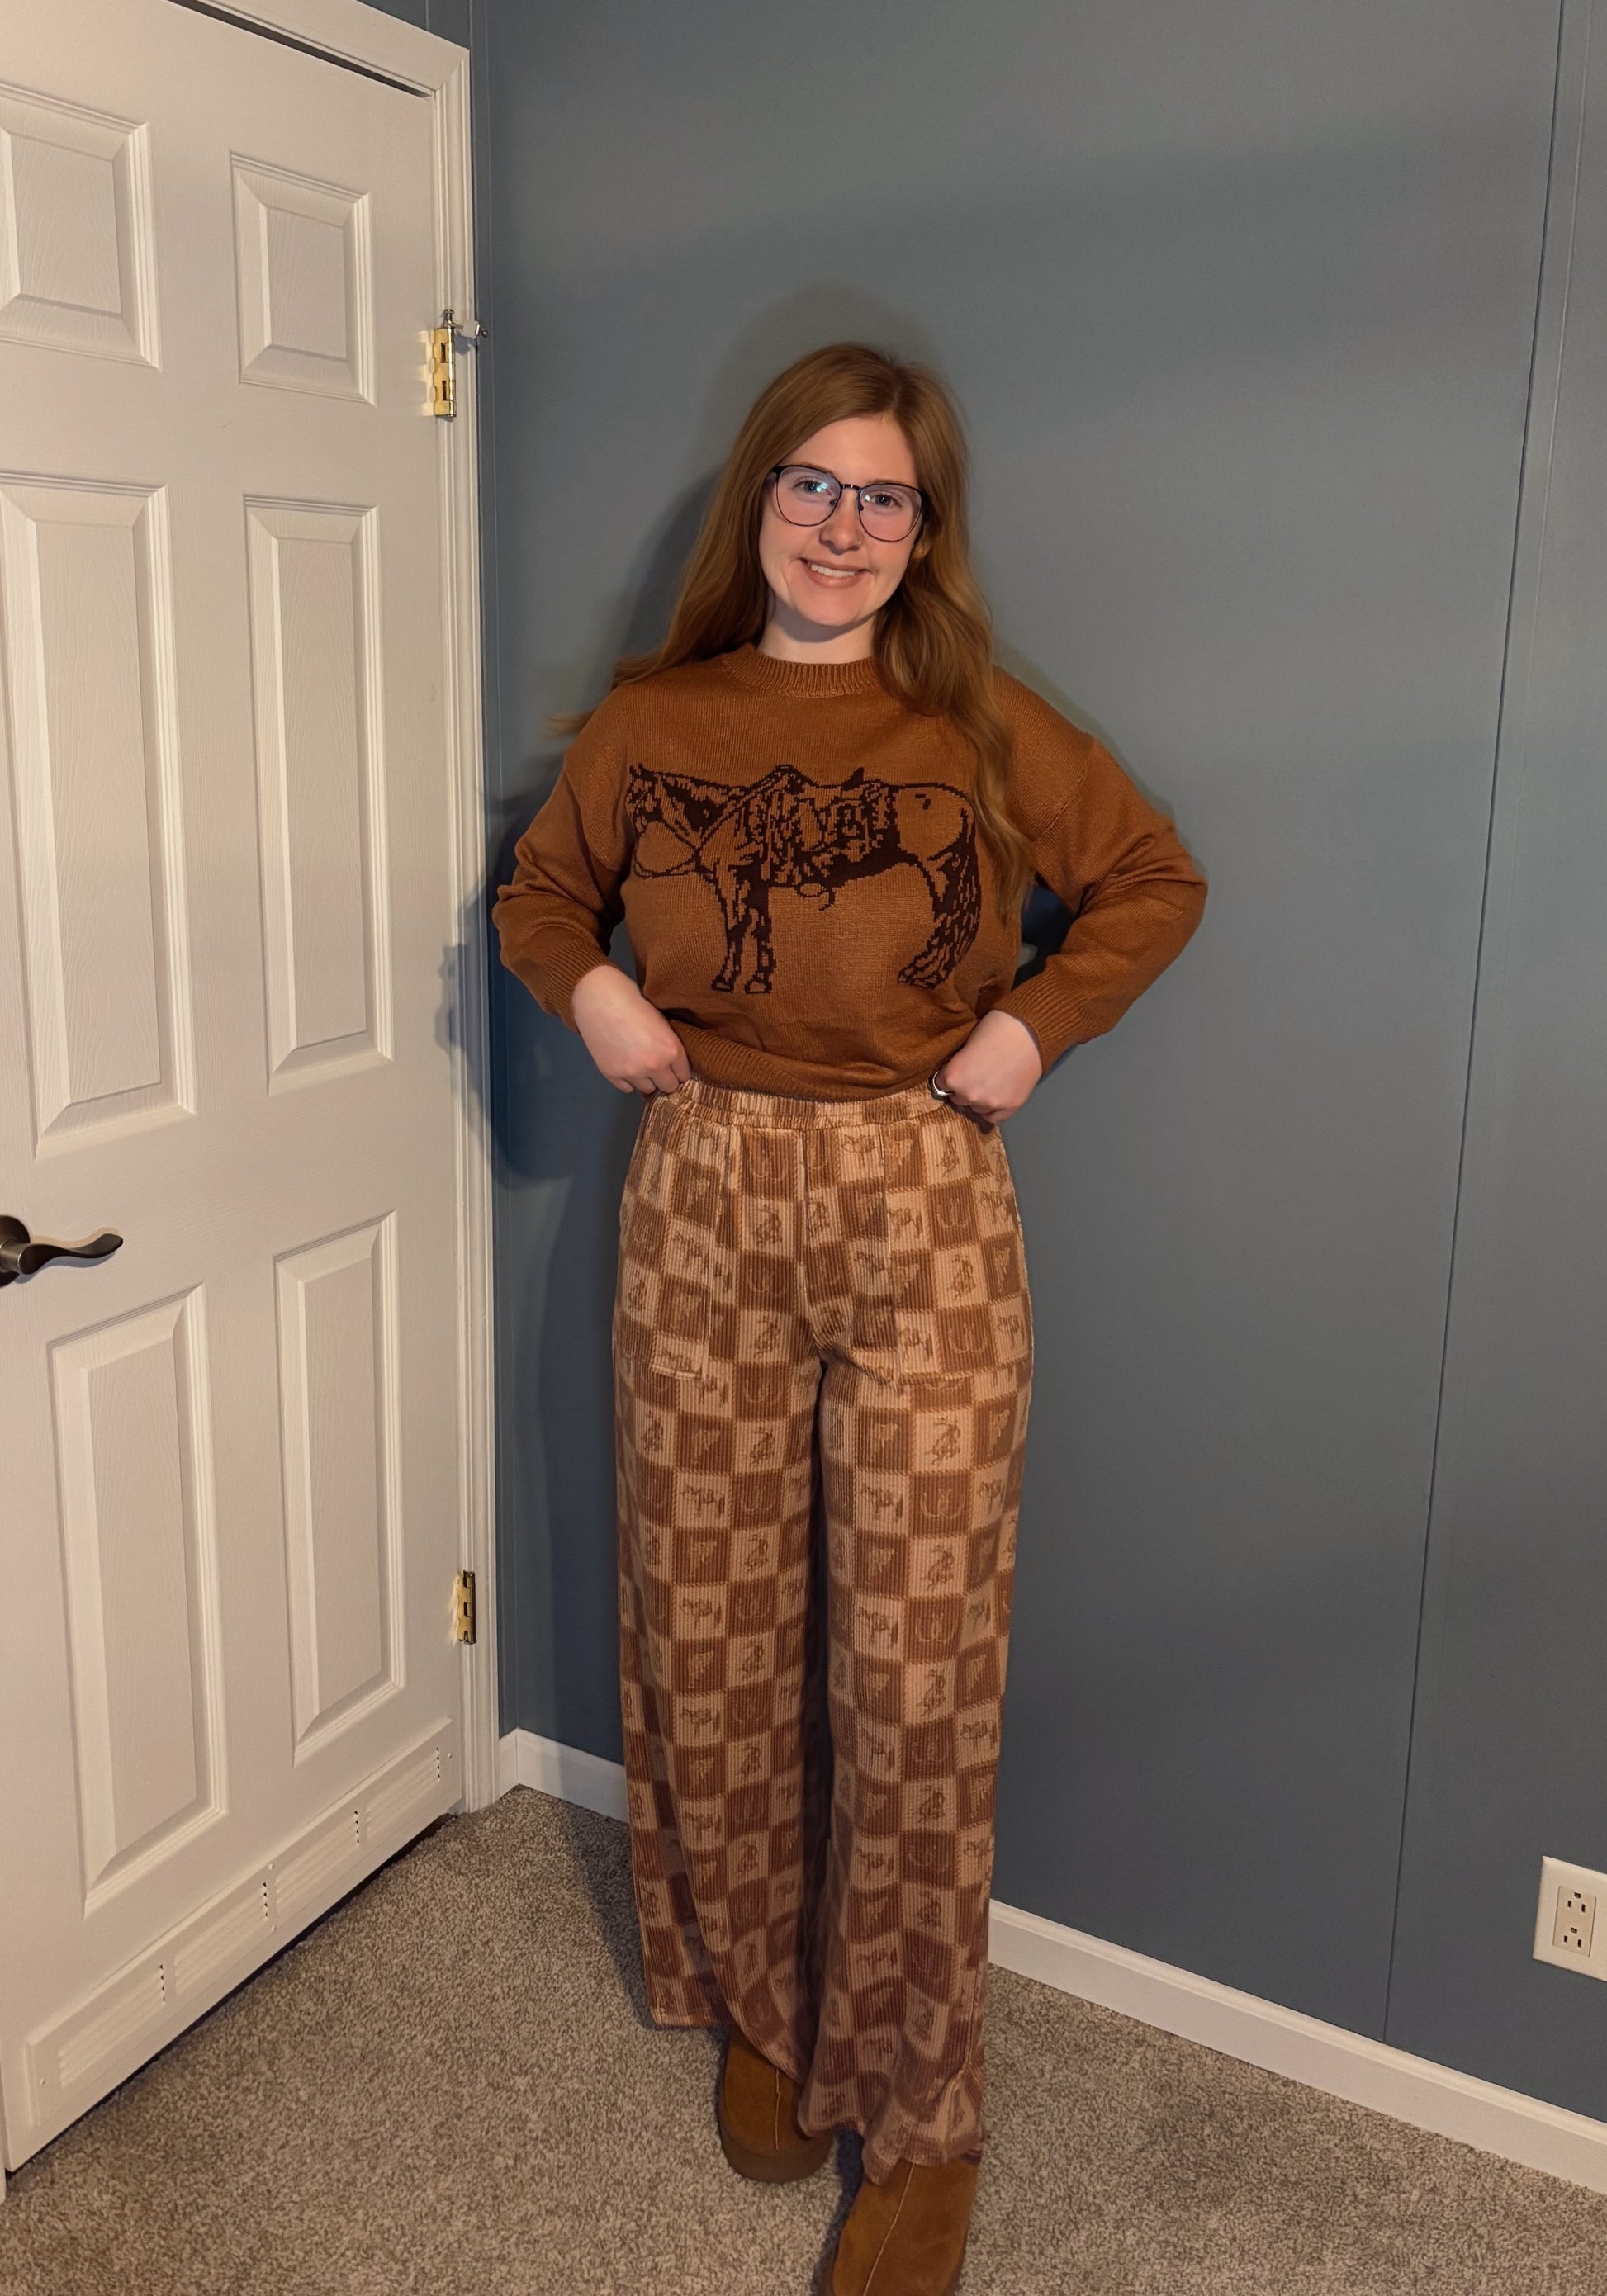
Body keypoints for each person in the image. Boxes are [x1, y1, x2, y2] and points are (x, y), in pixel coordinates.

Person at [493, 342, 1206, 2296]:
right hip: (701, 1196)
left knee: (912, 1676)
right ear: (760, 499)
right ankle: (766, 2003)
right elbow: (542, 897)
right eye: (812, 483)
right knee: (712, 1635)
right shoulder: (656, 718)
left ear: (924, 526)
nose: (842, 524)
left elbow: (1149, 878)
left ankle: (920, 2112)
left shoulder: (972, 720)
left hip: (919, 1199)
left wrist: (1029, 1028)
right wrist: (592, 991)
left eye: (884, 495)